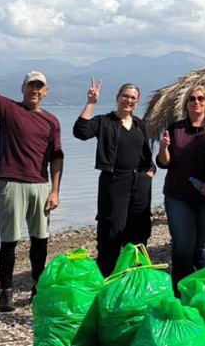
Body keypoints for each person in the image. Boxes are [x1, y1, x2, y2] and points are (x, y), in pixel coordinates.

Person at [0, 44, 64, 312]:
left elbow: (56, 157)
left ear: (45, 91)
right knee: (9, 241)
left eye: (39, 87)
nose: (34, 90)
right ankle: (6, 292)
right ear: (23, 89)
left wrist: (55, 190)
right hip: (10, 182)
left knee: (40, 239)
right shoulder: (9, 110)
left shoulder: (52, 121)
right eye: (30, 86)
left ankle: (37, 287)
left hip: (40, 184)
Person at [73, 79, 156, 277]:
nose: (129, 100)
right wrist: (91, 102)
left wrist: (150, 170)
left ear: (137, 102)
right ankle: (108, 276)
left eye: (133, 98)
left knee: (139, 231)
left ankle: (134, 277)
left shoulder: (139, 124)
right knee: (111, 231)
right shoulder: (104, 121)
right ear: (118, 98)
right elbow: (81, 132)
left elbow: (145, 153)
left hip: (139, 183)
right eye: (125, 96)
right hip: (114, 181)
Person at [157, 85, 205, 294]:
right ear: (186, 103)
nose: (196, 102)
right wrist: (163, 149)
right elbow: (164, 163)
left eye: (201, 98)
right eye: (192, 98)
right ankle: (180, 292)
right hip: (178, 195)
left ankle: (201, 293)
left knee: (203, 245)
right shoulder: (175, 129)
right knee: (183, 244)